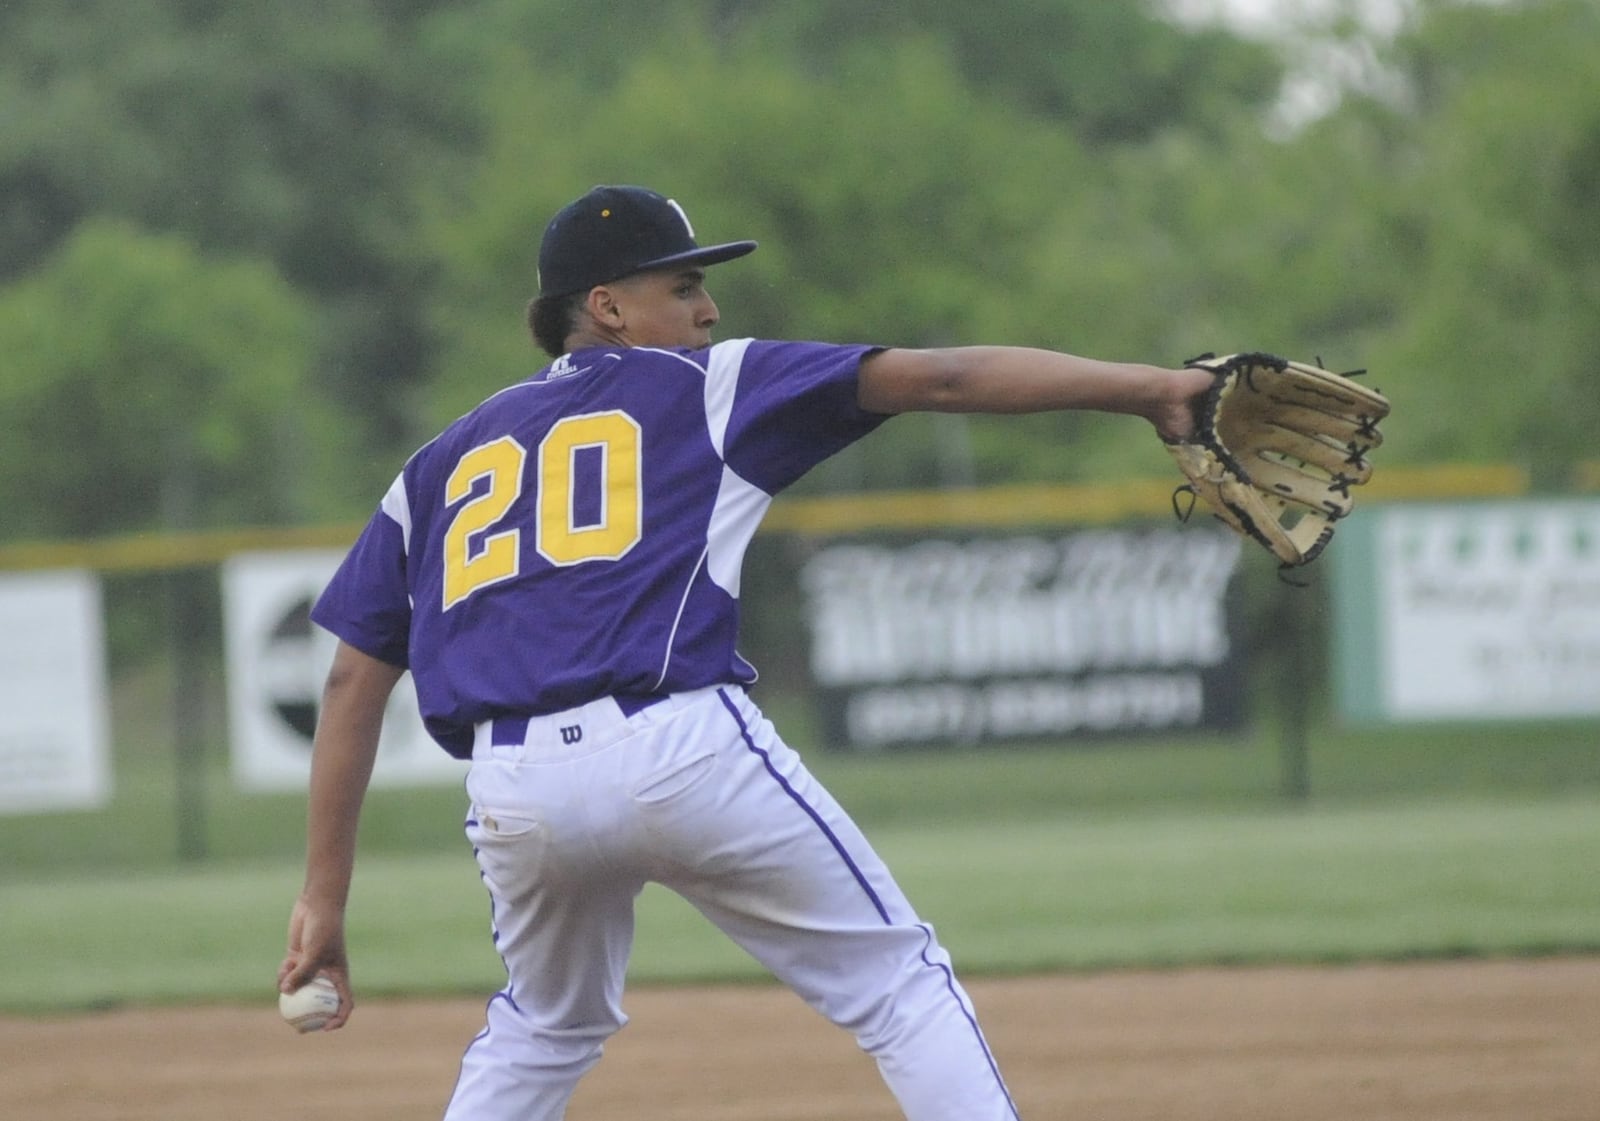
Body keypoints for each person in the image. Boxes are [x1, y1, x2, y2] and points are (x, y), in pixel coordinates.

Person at [279, 184, 1213, 1120]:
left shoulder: (438, 462)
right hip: (678, 745)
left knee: (542, 1026)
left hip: (516, 788)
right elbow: (944, 378)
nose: (709, 308)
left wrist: (324, 898)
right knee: (898, 985)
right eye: (682, 286)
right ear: (608, 307)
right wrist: (1155, 389)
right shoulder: (712, 384)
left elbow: (354, 675)